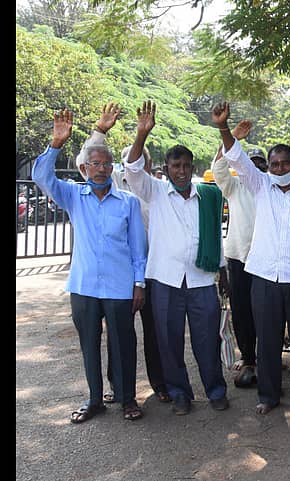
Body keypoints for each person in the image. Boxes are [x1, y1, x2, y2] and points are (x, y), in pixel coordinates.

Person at [213, 102, 290, 417]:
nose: (278, 169)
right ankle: (269, 395)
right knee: (267, 341)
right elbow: (235, 157)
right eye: (274, 164)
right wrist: (224, 128)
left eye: (284, 164)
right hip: (264, 277)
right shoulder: (260, 186)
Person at [34, 109, 147, 423]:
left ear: (113, 168)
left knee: (123, 343)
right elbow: (41, 177)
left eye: (106, 164)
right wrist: (56, 143)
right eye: (94, 164)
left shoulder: (128, 202)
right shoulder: (73, 195)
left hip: (119, 286)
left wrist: (139, 284)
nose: (100, 169)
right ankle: (94, 399)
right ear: (84, 168)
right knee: (88, 344)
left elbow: (139, 248)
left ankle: (126, 399)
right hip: (83, 286)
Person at [124, 100, 230, 416]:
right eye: (175, 167)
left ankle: (215, 390)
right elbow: (131, 169)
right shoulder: (154, 191)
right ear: (166, 169)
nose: (181, 171)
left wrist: (222, 269)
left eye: (185, 166)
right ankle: (179, 393)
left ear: (192, 167)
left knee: (206, 340)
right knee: (169, 343)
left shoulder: (207, 195)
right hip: (165, 281)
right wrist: (142, 133)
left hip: (200, 280)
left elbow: (215, 236)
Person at [73, 102, 171, 405]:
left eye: (138, 159)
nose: (133, 163)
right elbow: (84, 159)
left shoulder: (157, 189)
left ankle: (161, 384)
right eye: (129, 159)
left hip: (151, 271)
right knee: (118, 333)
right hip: (119, 276)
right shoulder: (109, 185)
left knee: (154, 333)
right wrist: (100, 131)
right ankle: (118, 387)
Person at [212, 122, 266, 388]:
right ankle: (248, 358)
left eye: (259, 164)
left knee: (267, 313)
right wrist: (231, 137)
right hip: (239, 258)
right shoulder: (233, 187)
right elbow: (218, 167)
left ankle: (267, 359)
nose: (254, 167)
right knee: (242, 312)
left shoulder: (270, 188)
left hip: (266, 261)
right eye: (250, 162)